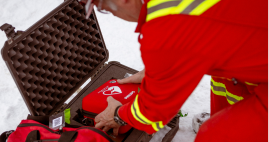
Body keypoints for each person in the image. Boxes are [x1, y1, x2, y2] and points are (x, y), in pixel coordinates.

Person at [79, 0, 269, 141]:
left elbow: (152, 113)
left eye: (102, 8)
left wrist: (118, 115)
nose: (107, 12)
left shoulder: (166, 27)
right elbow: (208, 33)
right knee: (221, 76)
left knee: (213, 136)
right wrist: (159, 70)